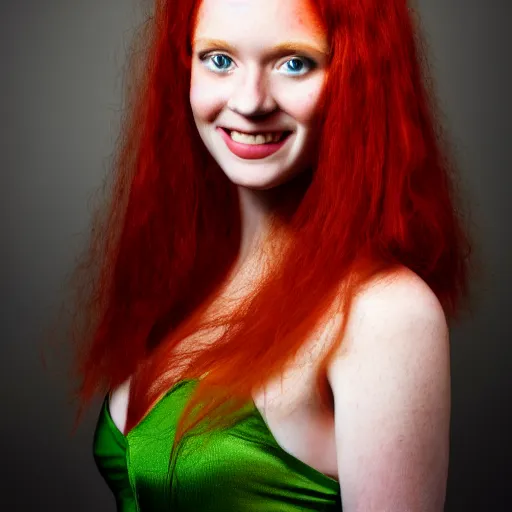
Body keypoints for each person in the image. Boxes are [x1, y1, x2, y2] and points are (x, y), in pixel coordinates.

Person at [73, 0, 471, 510]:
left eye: (293, 63)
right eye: (219, 59)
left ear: (359, 77)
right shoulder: (193, 284)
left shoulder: (386, 314)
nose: (251, 100)